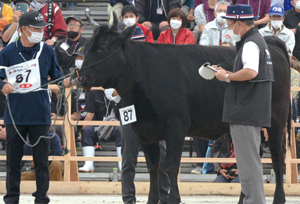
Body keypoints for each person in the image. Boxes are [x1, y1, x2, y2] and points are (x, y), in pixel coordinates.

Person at [0, 11, 68, 204]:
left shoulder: (46, 51)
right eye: (37, 29)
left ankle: (41, 198)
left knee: (41, 161)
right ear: (23, 29)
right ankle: (12, 198)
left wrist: (66, 81)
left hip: (40, 113)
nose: (41, 32)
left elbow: (56, 74)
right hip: (16, 114)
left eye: (42, 28)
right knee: (13, 162)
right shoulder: (8, 52)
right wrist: (2, 85)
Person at [213, 4, 273, 204]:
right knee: (251, 164)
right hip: (252, 110)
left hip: (245, 110)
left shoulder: (250, 43)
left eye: (230, 23)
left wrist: (226, 77)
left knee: (248, 166)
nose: (229, 27)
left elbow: (250, 72)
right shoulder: (257, 41)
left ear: (239, 22)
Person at [79, 89, 122, 173]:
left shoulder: (119, 90)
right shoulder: (93, 92)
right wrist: (82, 133)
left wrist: (116, 94)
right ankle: (88, 164)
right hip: (98, 127)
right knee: (87, 130)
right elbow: (89, 114)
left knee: (121, 130)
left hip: (115, 126)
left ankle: (122, 164)